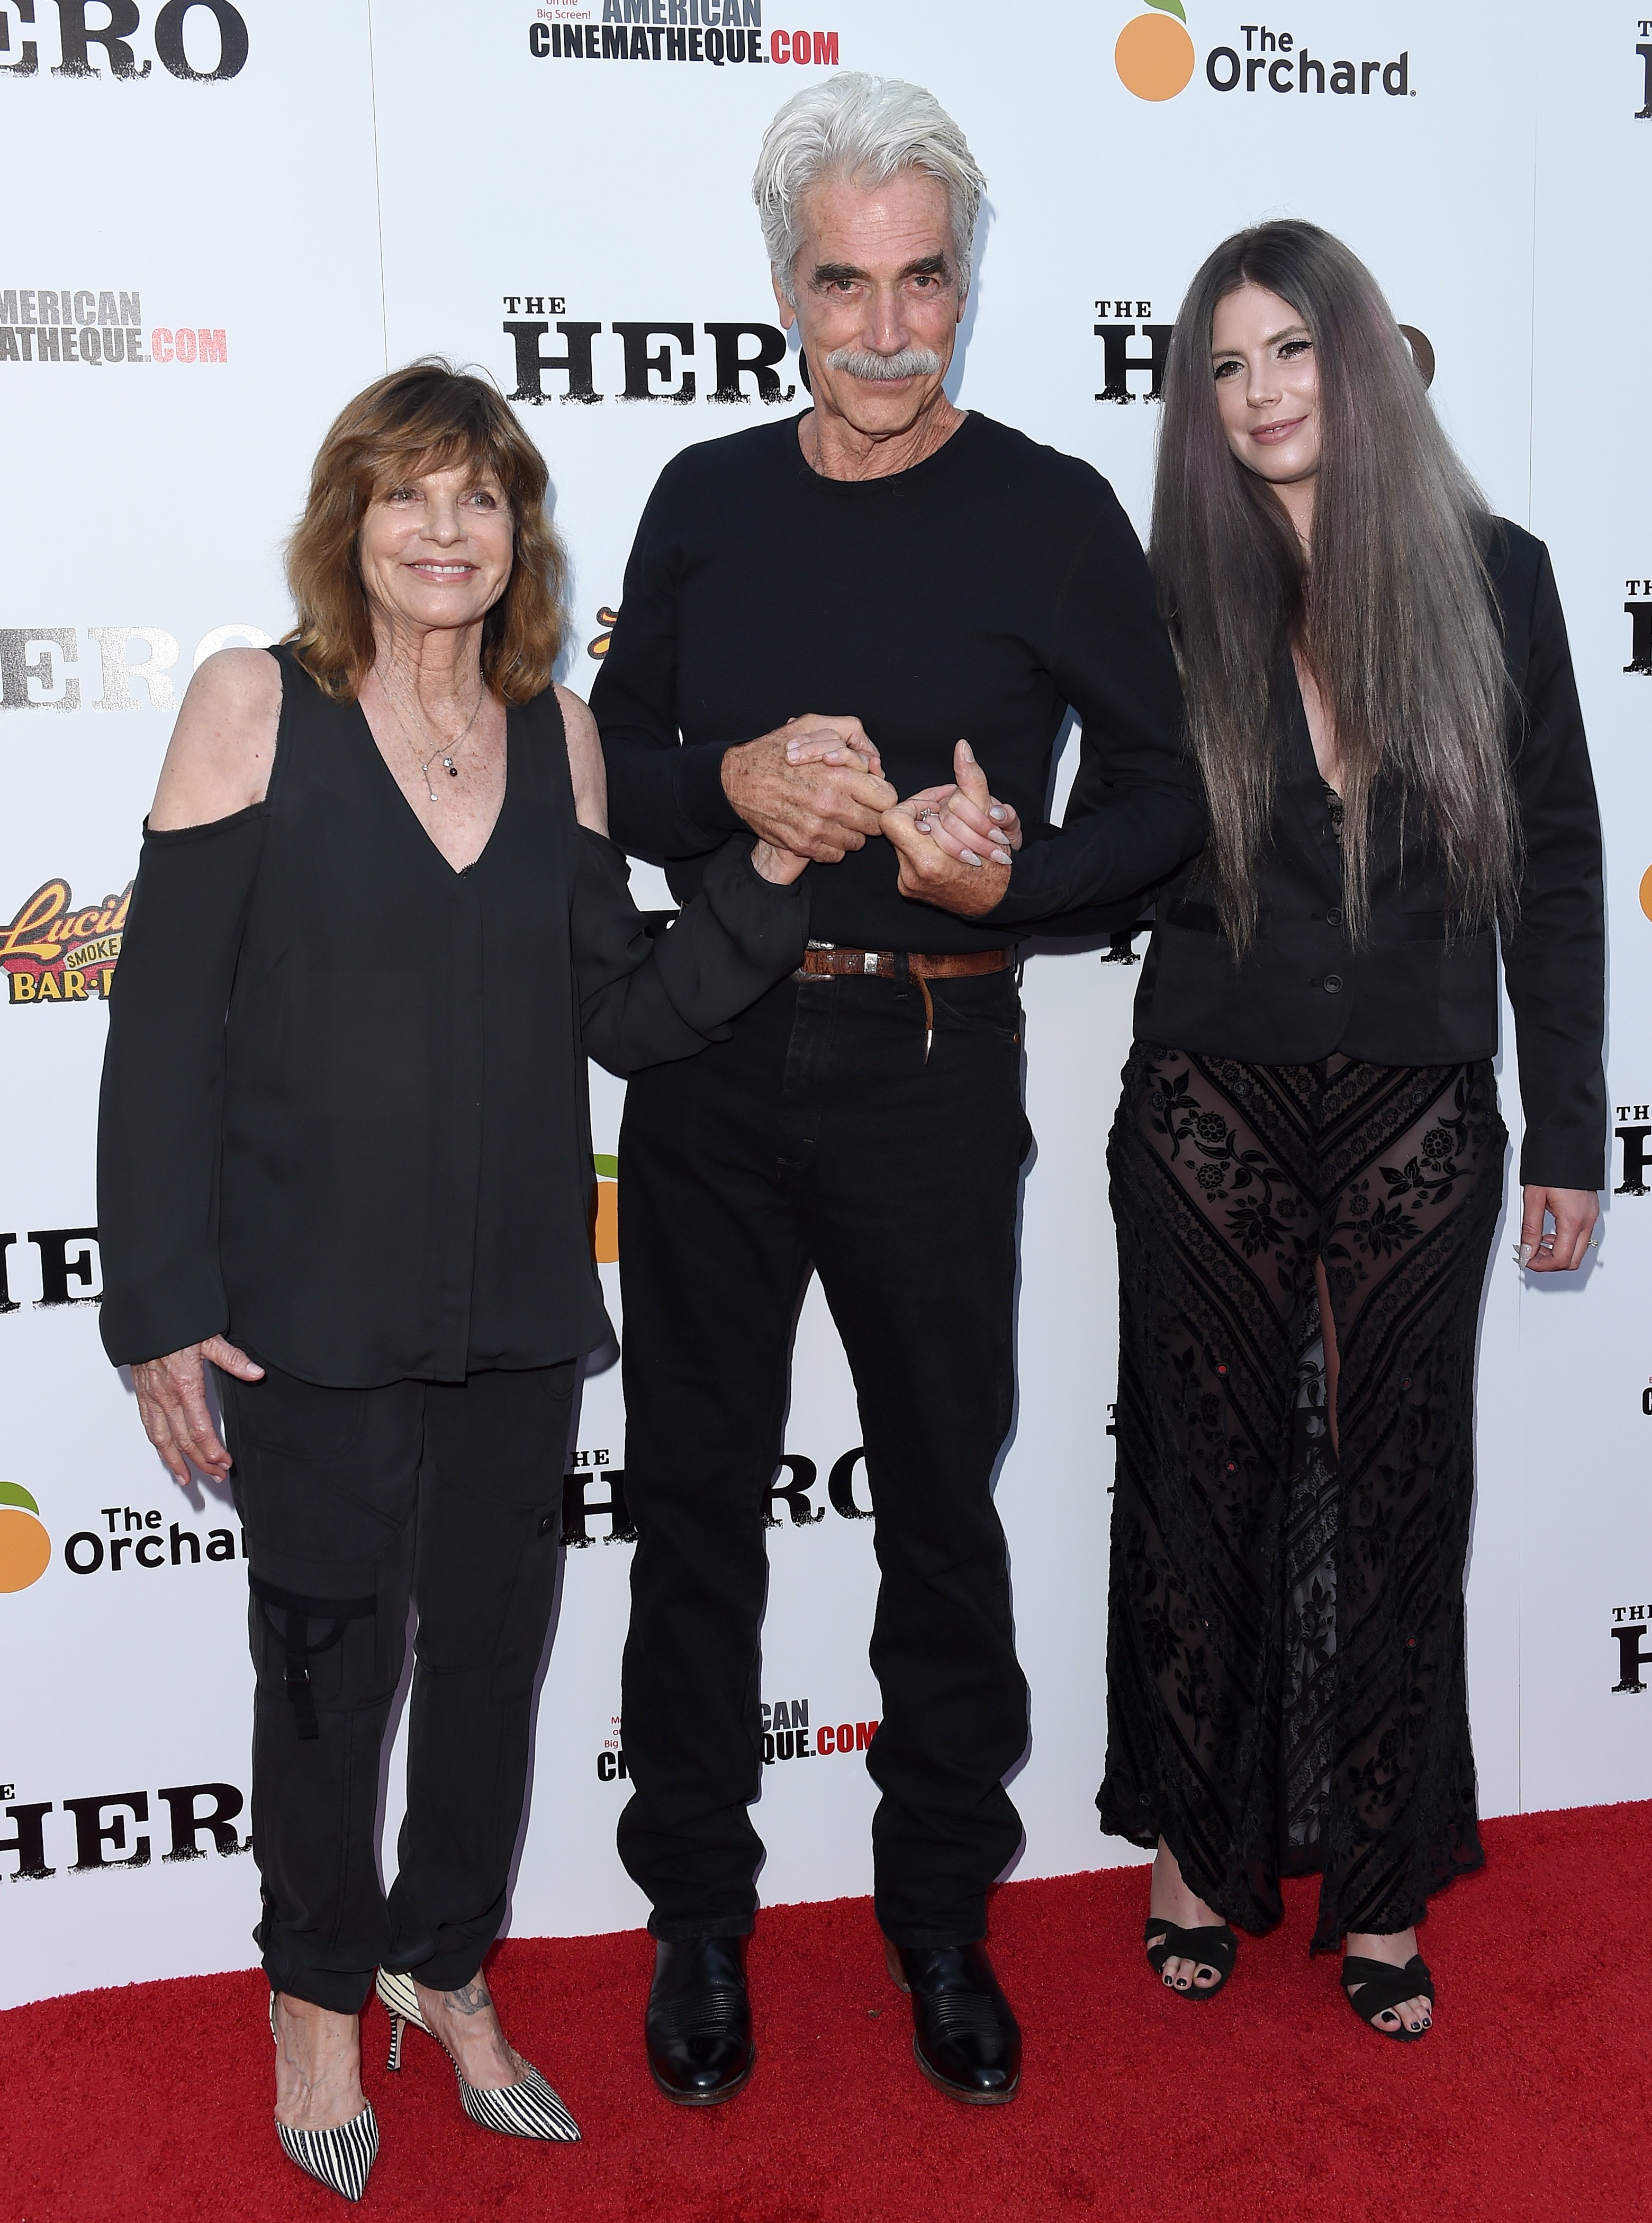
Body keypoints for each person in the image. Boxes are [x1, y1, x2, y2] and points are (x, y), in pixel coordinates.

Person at [95, 362, 811, 2200]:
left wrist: (766, 873)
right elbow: (161, 1031)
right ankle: (316, 1997)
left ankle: (445, 1967)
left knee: (489, 1665)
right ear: (352, 519)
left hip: (511, 1301)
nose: (440, 531)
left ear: (517, 535)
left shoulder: (553, 733)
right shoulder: (253, 702)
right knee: (329, 1670)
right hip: (302, 1306)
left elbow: (625, 1013)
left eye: (476, 500)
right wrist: (157, 1300)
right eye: (405, 496)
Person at [591, 70, 1203, 2109]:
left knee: (941, 1510)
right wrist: (732, 787)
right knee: (693, 1509)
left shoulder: (1048, 509)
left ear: (963, 282)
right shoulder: (699, 497)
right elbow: (607, 775)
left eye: (919, 281)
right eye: (842, 283)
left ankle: (940, 1911)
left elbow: (1166, 805)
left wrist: (1017, 873)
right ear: (781, 288)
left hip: (939, 1058)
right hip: (710, 1053)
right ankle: (697, 1916)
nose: (881, 329)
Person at [923, 218, 1605, 2041]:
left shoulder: (1499, 579)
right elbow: (1104, 860)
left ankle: (1380, 1889)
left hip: (1420, 1109)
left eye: (1287, 351)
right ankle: (1196, 1858)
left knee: (1397, 1496)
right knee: (1198, 1490)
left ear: (1357, 357)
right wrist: (994, 879)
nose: (1258, 394)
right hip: (1207, 1096)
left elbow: (1553, 875)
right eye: (1222, 368)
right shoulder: (1163, 599)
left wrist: (1564, 1135)